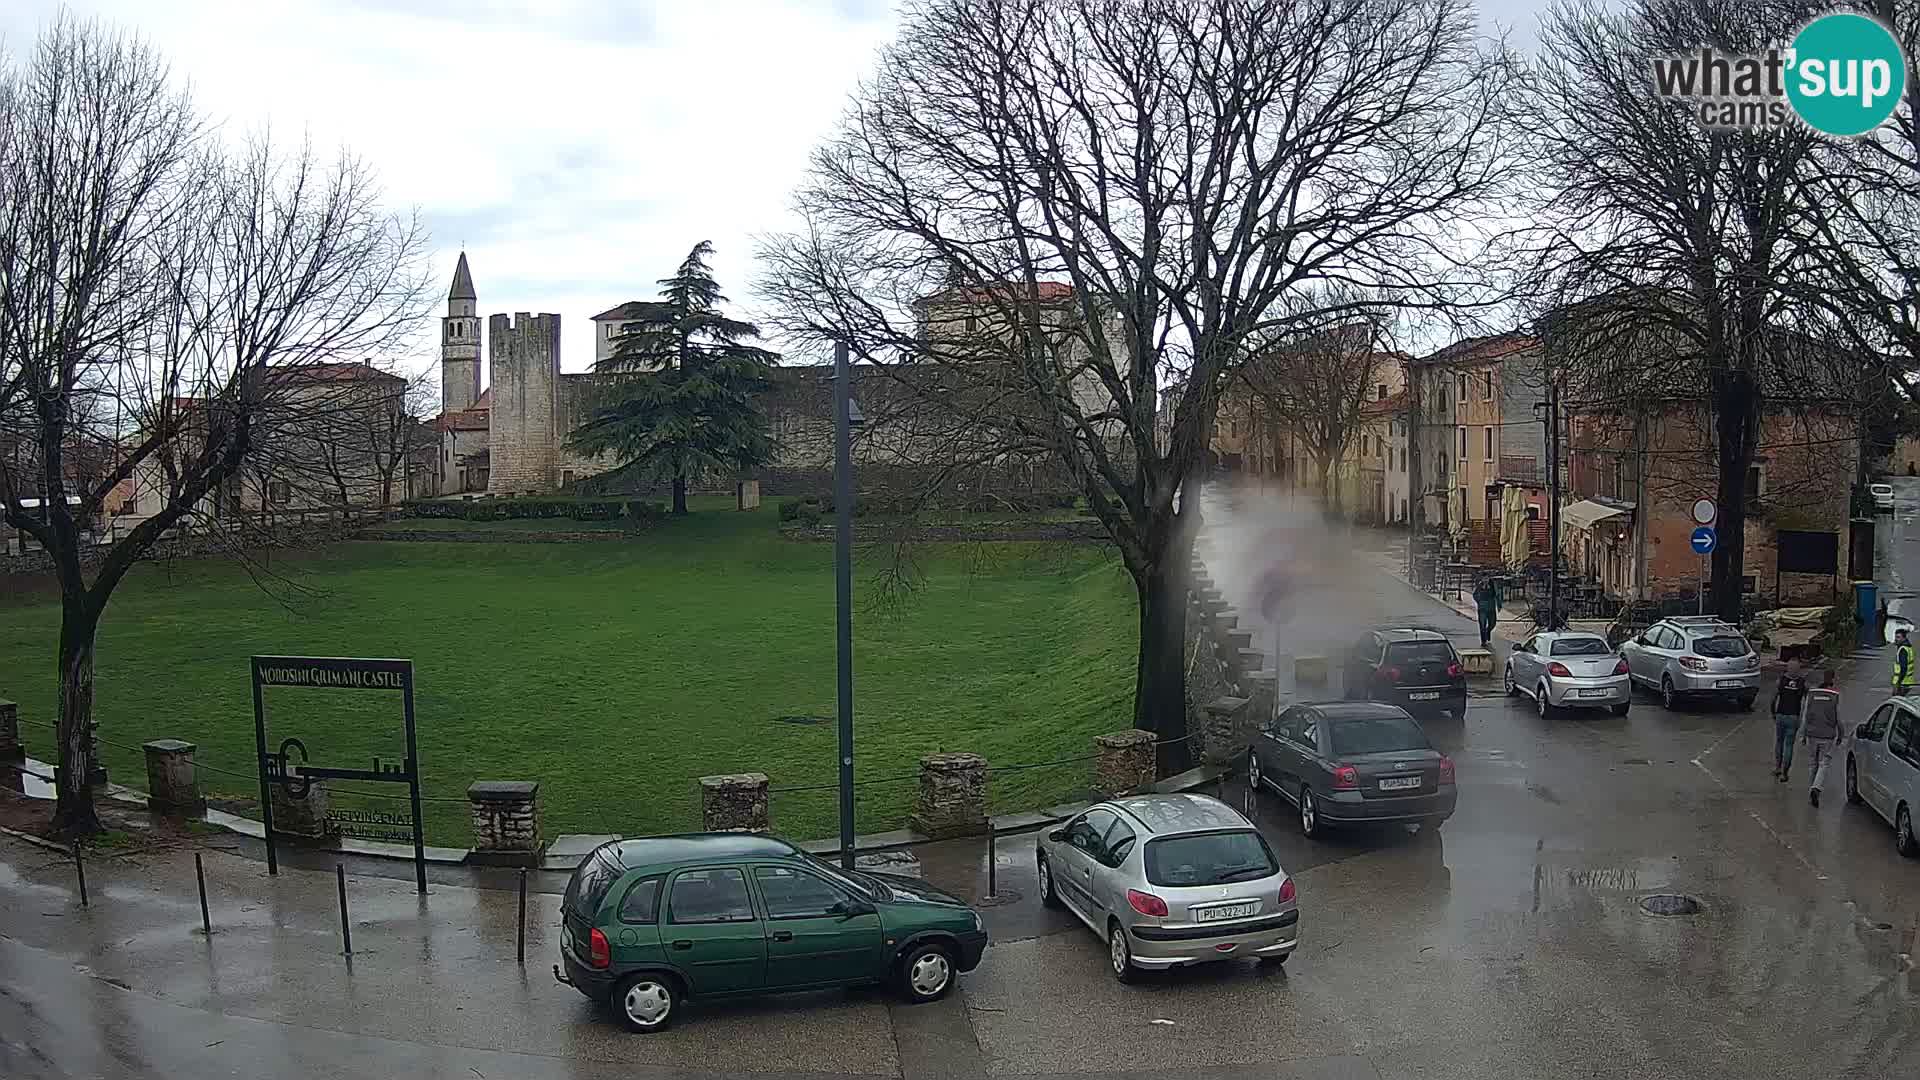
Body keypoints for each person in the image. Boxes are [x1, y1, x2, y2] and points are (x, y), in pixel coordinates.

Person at [1802, 670, 1841, 807]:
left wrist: (1803, 733)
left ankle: (1812, 787)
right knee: (1824, 763)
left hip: (1812, 733)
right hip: (1828, 735)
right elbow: (1838, 718)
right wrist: (1840, 733)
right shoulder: (1835, 696)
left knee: (1813, 762)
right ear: (1833, 679)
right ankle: (1816, 788)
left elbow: (1805, 714)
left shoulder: (1812, 694)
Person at [1771, 658, 1808, 783]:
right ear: (1798, 669)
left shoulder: (1781, 680)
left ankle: (1777, 767)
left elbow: (1773, 698)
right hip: (1794, 717)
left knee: (1779, 742)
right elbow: (1808, 699)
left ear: (1787, 668)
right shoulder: (1802, 683)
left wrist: (1773, 713)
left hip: (1781, 715)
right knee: (1789, 745)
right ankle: (1784, 773)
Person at [1473, 575, 1502, 648]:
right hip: (1482, 609)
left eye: (1487, 578)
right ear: (1482, 579)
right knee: (1482, 625)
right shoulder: (1479, 586)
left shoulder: (1493, 585)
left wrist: (1499, 605)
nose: (1485, 580)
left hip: (1491, 608)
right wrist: (1479, 601)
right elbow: (1475, 595)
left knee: (1493, 623)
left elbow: (1497, 595)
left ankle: (1487, 631)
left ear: (1489, 579)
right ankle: (1483, 641)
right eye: (1484, 579)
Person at [1895, 628, 1915, 696]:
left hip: (1902, 683)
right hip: (1907, 681)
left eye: (1898, 637)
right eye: (1896, 637)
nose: (1896, 639)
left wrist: (1898, 682)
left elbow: (1903, 667)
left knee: (1895, 701)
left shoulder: (1903, 650)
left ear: (1903, 638)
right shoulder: (1908, 647)